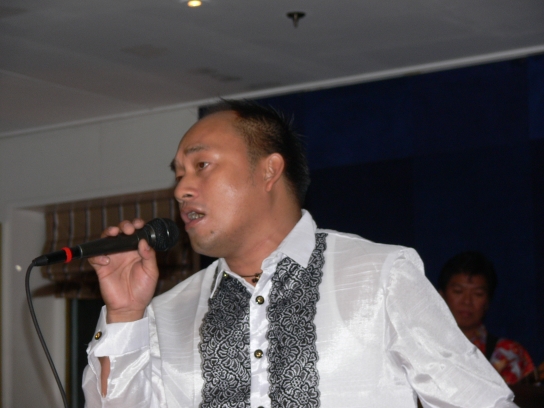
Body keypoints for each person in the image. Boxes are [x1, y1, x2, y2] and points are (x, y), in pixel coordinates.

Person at [82, 100, 517, 407]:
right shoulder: (162, 313)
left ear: (269, 170)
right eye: (178, 174)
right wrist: (124, 314)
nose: (181, 189)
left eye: (202, 165)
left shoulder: (379, 276)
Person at [439, 251, 536, 385]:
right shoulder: (421, 347)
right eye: (458, 291)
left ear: (488, 301)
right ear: (441, 296)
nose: (467, 301)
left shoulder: (509, 354)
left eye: (478, 294)